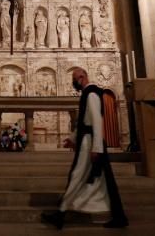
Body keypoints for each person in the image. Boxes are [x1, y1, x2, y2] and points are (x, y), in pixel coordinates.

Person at [42, 68, 128, 229]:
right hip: (87, 139)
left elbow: (96, 121)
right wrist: (72, 138)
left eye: (74, 79)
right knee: (102, 180)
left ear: (82, 77)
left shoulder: (92, 94)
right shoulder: (88, 94)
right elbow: (83, 121)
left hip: (90, 142)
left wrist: (96, 147)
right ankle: (119, 217)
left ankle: (60, 214)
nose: (73, 83)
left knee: (77, 175)